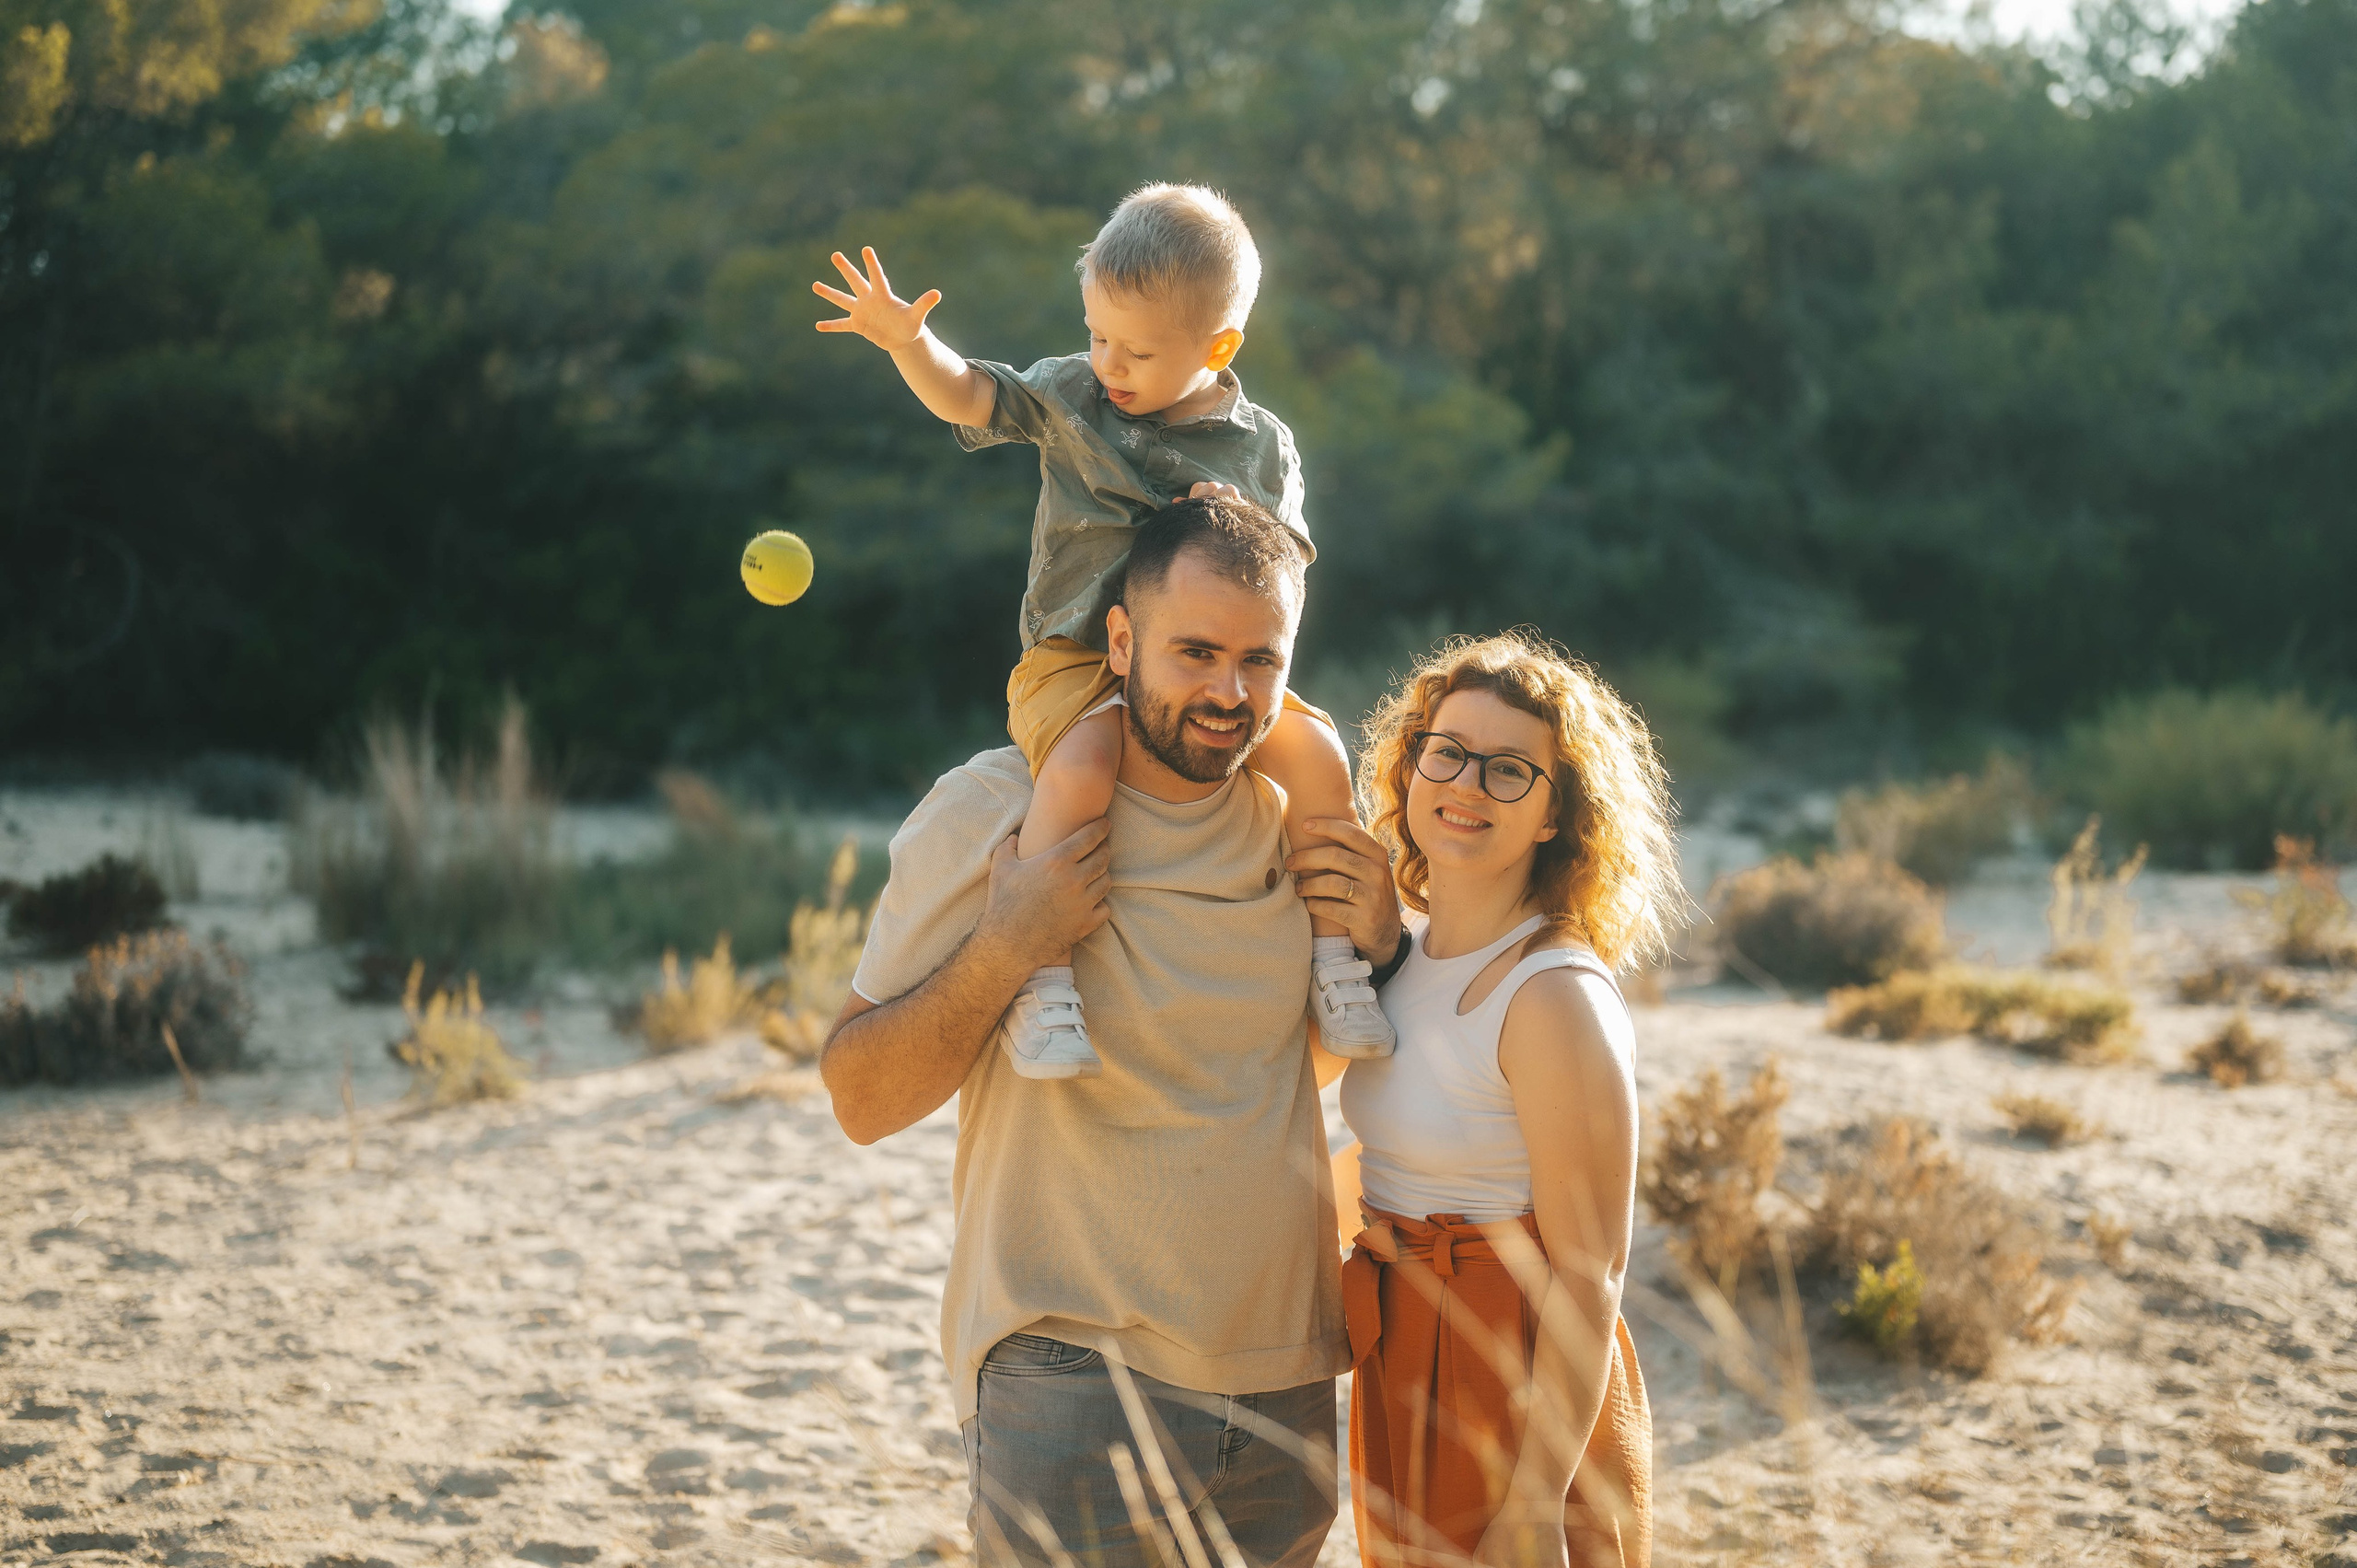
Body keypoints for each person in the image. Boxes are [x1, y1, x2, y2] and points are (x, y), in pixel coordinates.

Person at [819, 497, 1410, 1568]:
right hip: (1071, 1376)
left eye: (1259, 660)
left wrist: (1382, 944)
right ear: (1122, 641)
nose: (1228, 693)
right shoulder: (996, 809)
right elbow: (861, 1098)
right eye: (1194, 652)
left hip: (1287, 1380)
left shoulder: (1305, 828)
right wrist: (1009, 943)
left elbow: (1312, 1067)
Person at [810, 181, 1394, 1081]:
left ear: (1218, 346)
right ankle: (1043, 978)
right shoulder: (1074, 395)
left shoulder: (1259, 446)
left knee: (1317, 753)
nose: (1108, 362)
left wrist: (1242, 520)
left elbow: (1286, 567)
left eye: (1137, 350)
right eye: (1096, 335)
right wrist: (909, 342)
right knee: (1082, 762)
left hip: (1203, 672)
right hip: (1072, 655)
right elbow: (970, 395)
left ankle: (1334, 962)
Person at [1333, 633, 1682, 1568]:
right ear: (1409, 766)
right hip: (1401, 1345)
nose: (1466, 784)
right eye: (1446, 752)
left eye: (1509, 770)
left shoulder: (1554, 993)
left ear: (1557, 816)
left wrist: (1535, 1502)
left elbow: (1589, 1274)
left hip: (1515, 1378)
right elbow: (1393, 1155)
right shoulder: (1401, 956)